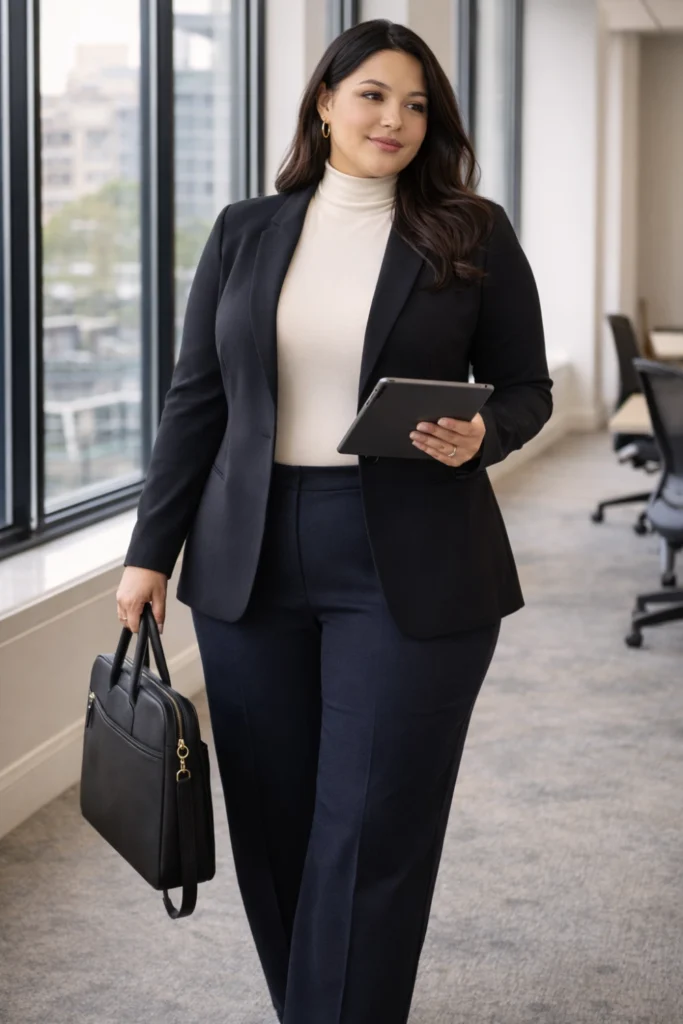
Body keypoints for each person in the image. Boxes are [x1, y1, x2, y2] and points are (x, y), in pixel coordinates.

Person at [116, 18, 552, 1024]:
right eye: (371, 96)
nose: (393, 119)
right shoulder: (243, 231)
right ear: (323, 101)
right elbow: (196, 400)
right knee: (271, 827)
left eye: (414, 104)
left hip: (411, 551)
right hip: (248, 558)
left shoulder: (469, 232)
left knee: (369, 827)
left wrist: (477, 434)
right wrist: (149, 552)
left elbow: (523, 387)